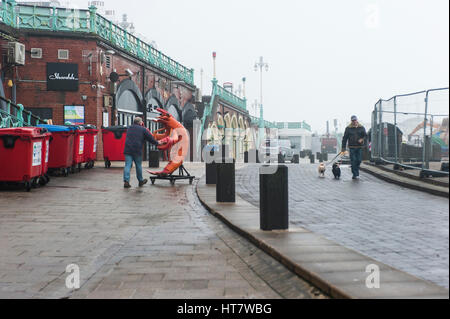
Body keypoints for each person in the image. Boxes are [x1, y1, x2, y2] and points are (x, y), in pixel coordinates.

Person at [123, 117, 159, 188]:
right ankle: (140, 181)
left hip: (128, 149)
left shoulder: (129, 128)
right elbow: (150, 138)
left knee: (127, 165)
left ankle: (126, 181)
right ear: (140, 122)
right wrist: (157, 143)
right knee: (138, 165)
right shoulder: (143, 129)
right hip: (137, 150)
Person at [340, 115, 367, 180]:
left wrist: (362, 139)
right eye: (353, 120)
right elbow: (345, 138)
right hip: (351, 147)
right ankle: (355, 174)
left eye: (355, 120)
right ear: (351, 121)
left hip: (359, 147)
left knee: (359, 160)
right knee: (353, 161)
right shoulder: (348, 128)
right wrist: (343, 148)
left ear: (357, 120)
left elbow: (366, 136)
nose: (354, 121)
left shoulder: (361, 127)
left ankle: (356, 172)